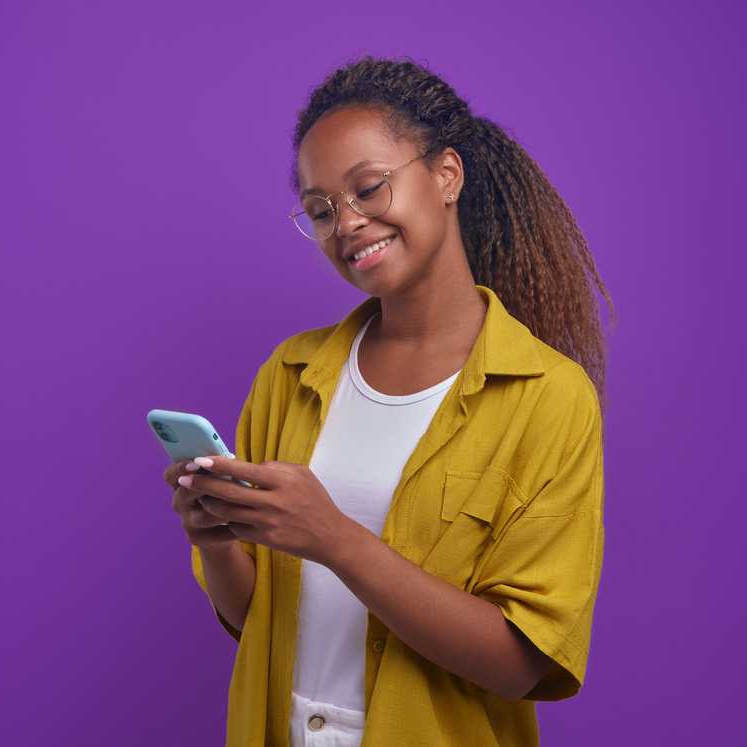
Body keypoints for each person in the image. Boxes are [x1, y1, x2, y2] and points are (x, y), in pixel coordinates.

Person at [162, 55, 615, 747]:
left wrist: (337, 539)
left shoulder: (548, 398)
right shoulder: (289, 374)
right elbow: (257, 615)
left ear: (446, 176)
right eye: (320, 210)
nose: (346, 224)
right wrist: (217, 541)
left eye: (368, 188)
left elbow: (523, 660)